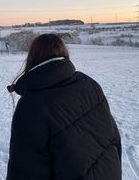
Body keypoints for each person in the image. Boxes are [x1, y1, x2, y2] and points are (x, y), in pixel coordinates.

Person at [6, 33, 121, 180]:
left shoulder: (31, 105)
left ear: (32, 57)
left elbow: (25, 171)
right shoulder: (88, 83)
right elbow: (114, 139)